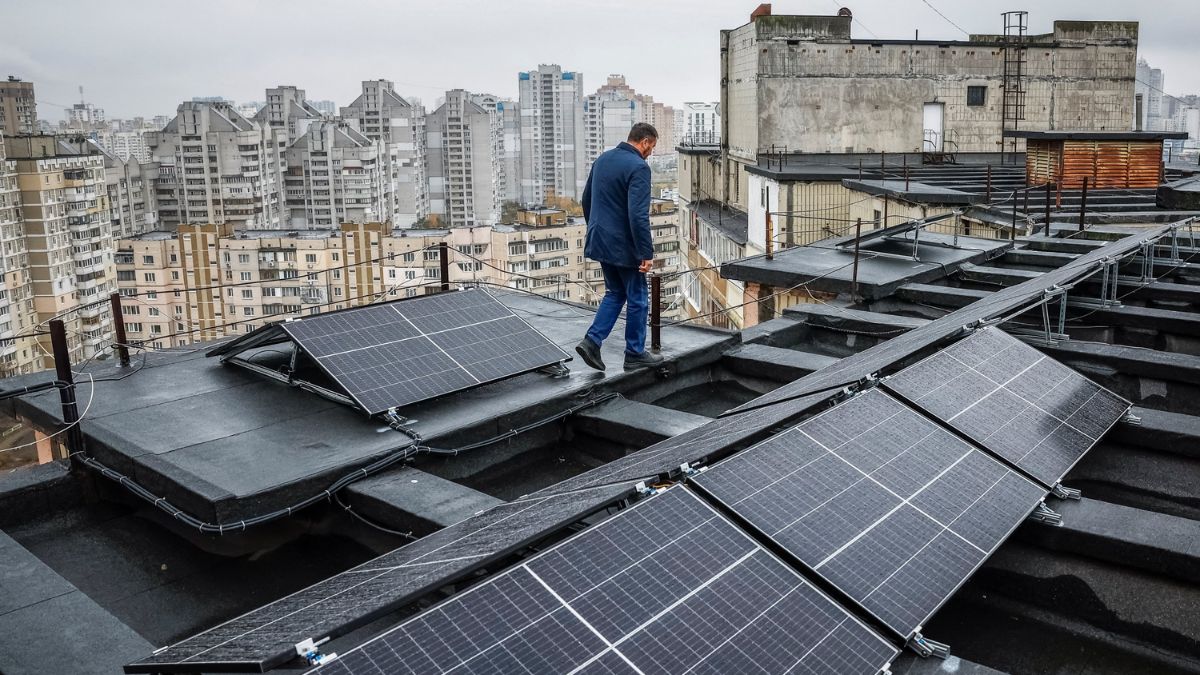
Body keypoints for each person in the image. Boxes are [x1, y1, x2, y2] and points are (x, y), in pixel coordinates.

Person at [575, 122, 664, 371]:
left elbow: (586, 200)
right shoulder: (639, 167)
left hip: (600, 240)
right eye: (652, 147)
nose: (651, 153)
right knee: (638, 298)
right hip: (625, 247)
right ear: (645, 142)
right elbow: (638, 215)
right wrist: (645, 253)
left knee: (615, 292)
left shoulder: (603, 159)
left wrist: (598, 228)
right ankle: (634, 353)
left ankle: (591, 341)